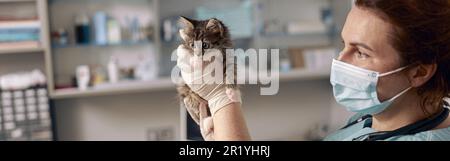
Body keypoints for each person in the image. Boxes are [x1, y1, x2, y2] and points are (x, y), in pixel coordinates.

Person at [176, 0, 450, 141]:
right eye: (343, 44)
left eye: (362, 52)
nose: (341, 60)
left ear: (419, 72)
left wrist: (222, 99)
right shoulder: (371, 117)